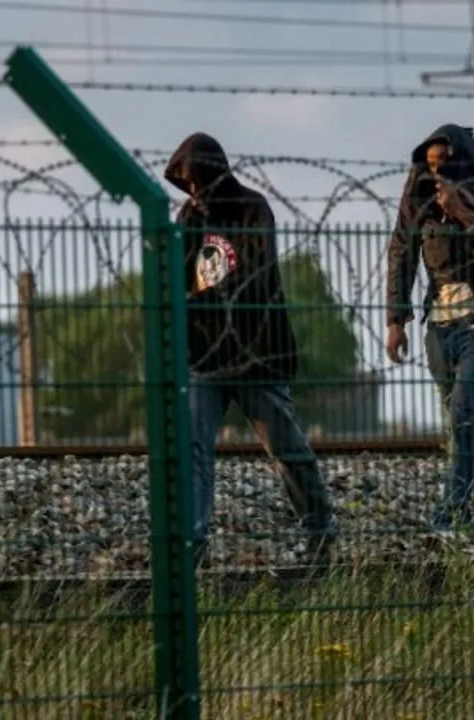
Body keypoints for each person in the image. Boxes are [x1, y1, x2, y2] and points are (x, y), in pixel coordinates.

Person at [163, 132, 337, 568]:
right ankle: (193, 545)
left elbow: (257, 278)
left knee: (284, 445)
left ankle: (318, 525)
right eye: (189, 185)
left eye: (199, 181)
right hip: (206, 358)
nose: (196, 191)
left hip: (258, 353)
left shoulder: (252, 209)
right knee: (194, 450)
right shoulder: (188, 218)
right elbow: (179, 282)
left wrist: (204, 301)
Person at [385, 124, 474, 553]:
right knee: (468, 425)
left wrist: (468, 217)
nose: (436, 172)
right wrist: (397, 318)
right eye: (430, 164)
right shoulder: (419, 190)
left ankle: (447, 516)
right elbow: (402, 248)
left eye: (443, 163)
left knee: (465, 412)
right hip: (438, 324)